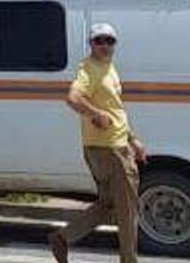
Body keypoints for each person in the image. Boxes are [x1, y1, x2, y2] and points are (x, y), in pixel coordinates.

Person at [50, 22, 146, 263]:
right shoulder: (89, 69)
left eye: (109, 41)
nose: (105, 45)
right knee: (128, 209)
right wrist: (96, 114)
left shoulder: (109, 68)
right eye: (99, 40)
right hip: (110, 150)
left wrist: (133, 139)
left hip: (111, 146)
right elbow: (73, 98)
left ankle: (63, 237)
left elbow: (116, 108)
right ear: (91, 44)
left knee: (108, 205)